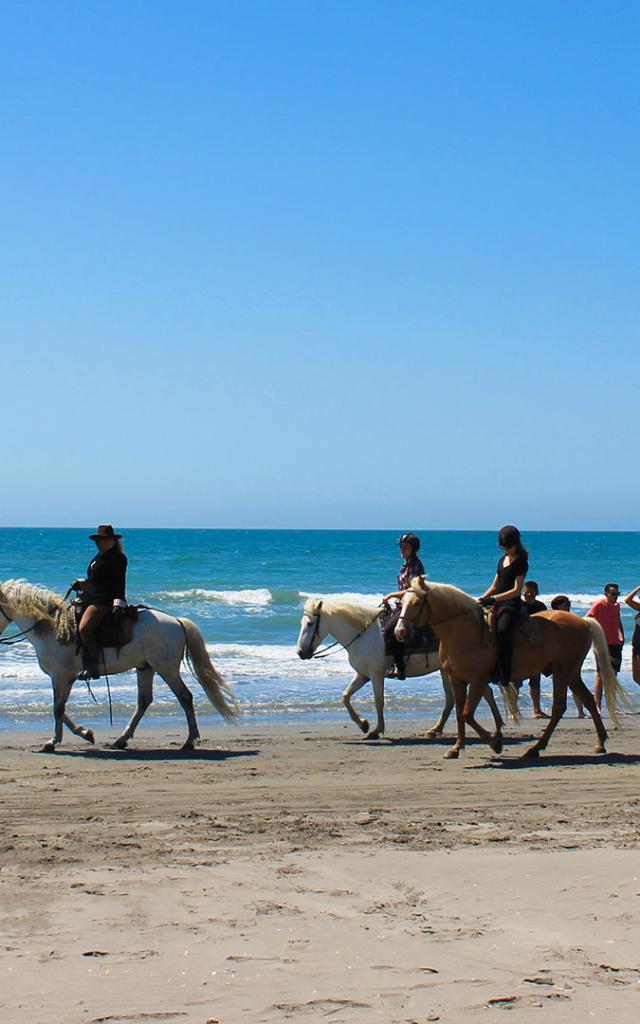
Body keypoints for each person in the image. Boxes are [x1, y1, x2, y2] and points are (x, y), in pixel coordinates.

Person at [72, 524, 128, 680]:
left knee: (84, 628)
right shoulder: (98, 558)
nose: (101, 543)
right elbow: (95, 580)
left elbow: (119, 582)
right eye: (99, 540)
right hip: (90, 598)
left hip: (102, 601)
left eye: (105, 540)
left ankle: (92, 667)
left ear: (112, 541)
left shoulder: (118, 558)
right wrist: (82, 583)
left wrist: (118, 603)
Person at [478, 525, 528, 687]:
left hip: (511, 604)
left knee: (502, 631)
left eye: (508, 547)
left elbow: (516, 590)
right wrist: (481, 599)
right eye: (504, 547)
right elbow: (494, 585)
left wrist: (493, 599)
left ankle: (504, 674)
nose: (506, 550)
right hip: (496, 601)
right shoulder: (501, 560)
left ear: (515, 544)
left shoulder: (521, 561)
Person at [382, 533, 425, 679]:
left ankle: (400, 668)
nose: (402, 550)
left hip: (411, 606)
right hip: (402, 604)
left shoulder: (415, 565)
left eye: (405, 547)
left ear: (413, 549)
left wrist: (391, 595)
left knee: (390, 630)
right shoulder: (405, 565)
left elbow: (412, 590)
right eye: (401, 547)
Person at [586, 584, 624, 710]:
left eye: (617, 594)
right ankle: (597, 705)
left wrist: (622, 636)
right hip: (602, 644)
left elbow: (618, 621)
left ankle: (612, 705)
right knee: (601, 675)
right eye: (613, 594)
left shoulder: (617, 606)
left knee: (613, 675)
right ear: (606, 594)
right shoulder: (599, 605)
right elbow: (587, 619)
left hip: (616, 644)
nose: (615, 597)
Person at [550, 595, 585, 717]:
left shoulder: (572, 618)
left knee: (575, 681)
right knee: (559, 684)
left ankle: (580, 711)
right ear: (557, 606)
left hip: (572, 655)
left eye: (569, 603)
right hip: (557, 656)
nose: (568, 606)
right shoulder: (553, 619)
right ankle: (557, 710)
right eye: (566, 604)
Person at [520, 581, 549, 718]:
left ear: (537, 593)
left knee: (535, 680)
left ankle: (536, 709)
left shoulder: (540, 606)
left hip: (536, 648)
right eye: (526, 593)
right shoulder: (518, 606)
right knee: (515, 681)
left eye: (532, 593)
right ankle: (514, 711)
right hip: (520, 648)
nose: (529, 595)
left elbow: (545, 626)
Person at [622, 585, 640, 686]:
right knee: (636, 677)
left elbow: (627, 600)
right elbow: (627, 600)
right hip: (636, 645)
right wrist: (638, 588)